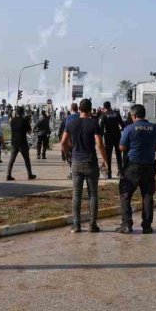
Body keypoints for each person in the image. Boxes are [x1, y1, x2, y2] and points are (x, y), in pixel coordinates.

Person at [61, 99, 107, 233]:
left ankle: (76, 225)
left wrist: (68, 154)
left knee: (76, 195)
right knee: (93, 195)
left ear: (79, 109)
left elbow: (63, 142)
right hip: (91, 163)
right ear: (90, 109)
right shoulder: (93, 123)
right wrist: (105, 160)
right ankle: (93, 225)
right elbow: (99, 143)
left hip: (75, 162)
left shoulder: (71, 123)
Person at [116, 104, 156, 234]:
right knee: (147, 196)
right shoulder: (155, 128)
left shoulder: (129, 128)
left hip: (132, 167)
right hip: (149, 167)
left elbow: (121, 147)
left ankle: (126, 224)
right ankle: (147, 226)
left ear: (134, 116)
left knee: (125, 195)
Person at [6, 106, 37, 181]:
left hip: (14, 142)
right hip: (22, 142)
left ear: (16, 112)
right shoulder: (24, 120)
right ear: (23, 112)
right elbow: (29, 131)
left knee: (12, 159)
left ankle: (8, 174)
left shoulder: (12, 121)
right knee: (27, 159)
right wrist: (28, 122)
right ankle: (30, 174)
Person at [98, 101, 125, 179]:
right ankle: (120, 172)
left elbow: (101, 129)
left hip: (108, 137)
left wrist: (101, 138)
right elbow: (123, 125)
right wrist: (119, 130)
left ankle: (109, 173)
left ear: (104, 107)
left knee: (108, 156)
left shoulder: (103, 115)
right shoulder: (116, 113)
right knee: (119, 155)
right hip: (117, 136)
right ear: (110, 106)